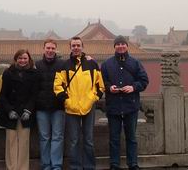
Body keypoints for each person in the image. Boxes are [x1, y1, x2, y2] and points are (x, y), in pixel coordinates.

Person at [54, 36, 105, 170]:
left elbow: (100, 85)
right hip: (71, 107)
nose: (76, 48)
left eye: (78, 45)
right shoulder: (64, 65)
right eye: (73, 45)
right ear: (70, 47)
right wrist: (67, 100)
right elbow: (57, 86)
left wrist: (94, 98)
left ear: (82, 47)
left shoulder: (92, 64)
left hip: (89, 106)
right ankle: (75, 166)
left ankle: (89, 166)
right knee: (74, 140)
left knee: (89, 140)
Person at [101, 36, 149, 170]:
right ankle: (114, 164)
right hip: (113, 105)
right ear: (114, 47)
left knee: (131, 138)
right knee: (114, 138)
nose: (120, 46)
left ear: (127, 46)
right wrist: (109, 87)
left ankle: (133, 163)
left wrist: (133, 87)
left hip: (130, 105)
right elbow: (102, 82)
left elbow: (144, 81)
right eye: (118, 44)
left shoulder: (135, 63)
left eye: (123, 44)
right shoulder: (107, 64)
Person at [0, 49, 39, 170]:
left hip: (26, 112)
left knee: (24, 142)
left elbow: (34, 95)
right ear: (16, 59)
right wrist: (9, 110)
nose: (22, 61)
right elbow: (2, 95)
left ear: (29, 59)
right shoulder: (8, 73)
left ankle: (22, 167)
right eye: (20, 58)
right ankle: (11, 167)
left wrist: (28, 110)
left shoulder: (34, 74)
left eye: (25, 58)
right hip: (11, 112)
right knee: (11, 142)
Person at [35, 39, 66, 170]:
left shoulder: (62, 64)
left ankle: (57, 165)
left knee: (58, 137)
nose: (50, 50)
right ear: (44, 49)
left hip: (58, 106)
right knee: (44, 138)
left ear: (55, 50)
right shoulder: (37, 65)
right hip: (41, 107)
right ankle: (46, 165)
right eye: (48, 48)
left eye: (53, 48)